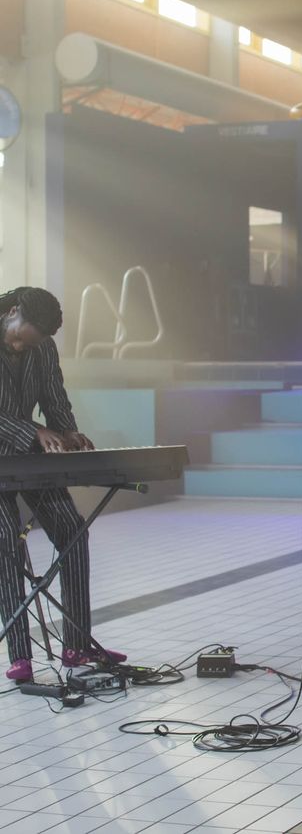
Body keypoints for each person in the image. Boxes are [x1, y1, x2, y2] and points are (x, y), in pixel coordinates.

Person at [0, 287, 125, 681]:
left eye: (31, 343)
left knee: (73, 530)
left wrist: (67, 431)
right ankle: (20, 657)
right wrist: (34, 431)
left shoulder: (43, 349)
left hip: (27, 460)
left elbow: (55, 398)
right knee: (6, 541)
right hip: (14, 447)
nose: (21, 347)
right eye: (19, 339)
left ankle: (76, 645)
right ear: (12, 311)